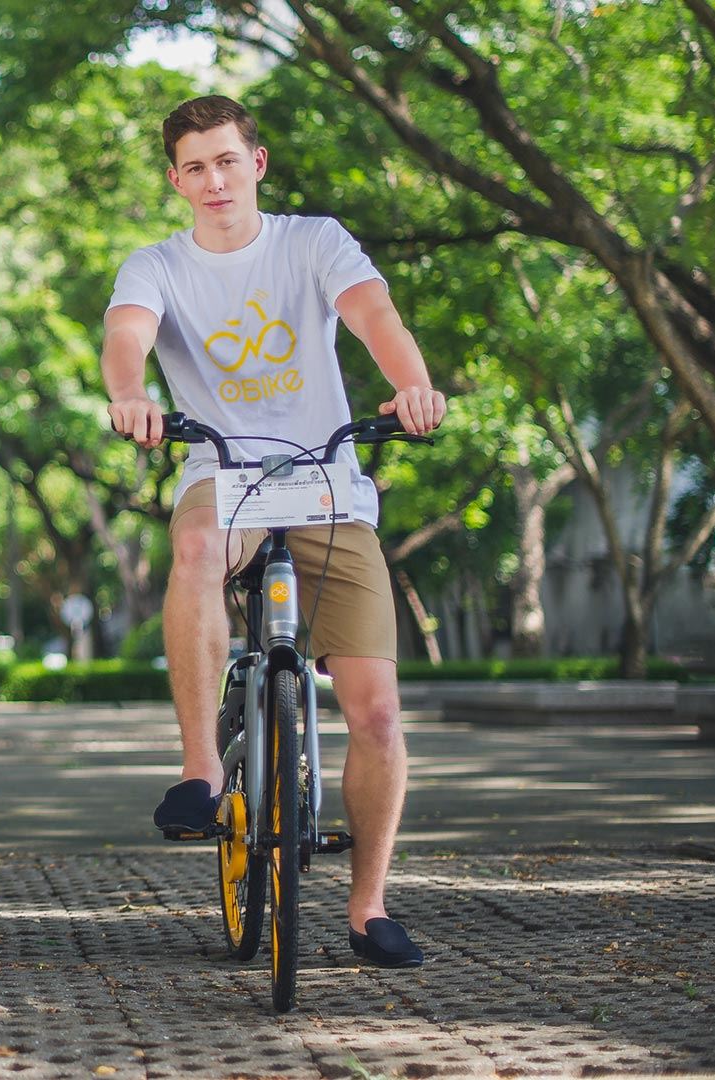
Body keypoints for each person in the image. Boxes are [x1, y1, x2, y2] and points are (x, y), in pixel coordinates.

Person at [100, 95, 446, 968]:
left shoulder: (314, 241)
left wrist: (412, 384)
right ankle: (201, 771)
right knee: (194, 546)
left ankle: (368, 907)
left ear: (257, 162)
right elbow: (126, 334)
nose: (212, 180)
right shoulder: (157, 263)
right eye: (193, 167)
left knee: (376, 713)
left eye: (226, 161)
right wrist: (132, 395)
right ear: (175, 180)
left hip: (329, 483)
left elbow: (374, 316)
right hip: (225, 476)